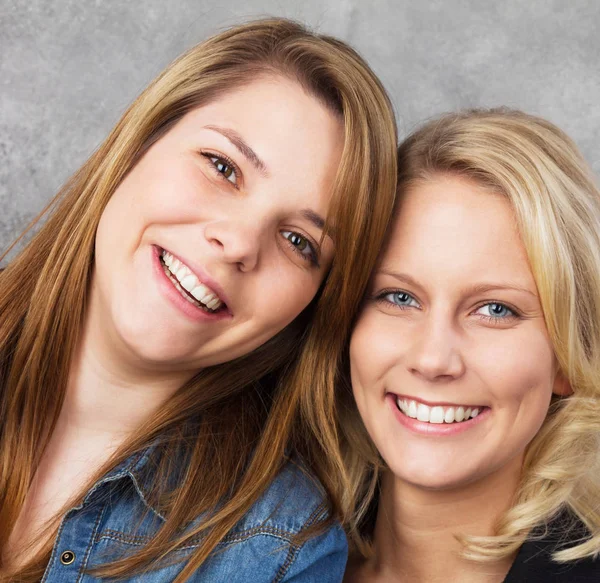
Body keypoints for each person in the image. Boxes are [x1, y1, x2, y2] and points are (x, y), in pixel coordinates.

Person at [0, 18, 398, 582]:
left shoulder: (281, 551)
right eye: (222, 167)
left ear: (311, 306)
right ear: (140, 142)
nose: (237, 242)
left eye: (298, 241)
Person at [342, 109, 600, 582]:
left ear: (568, 355)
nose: (432, 359)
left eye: (495, 310)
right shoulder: (255, 551)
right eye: (399, 297)